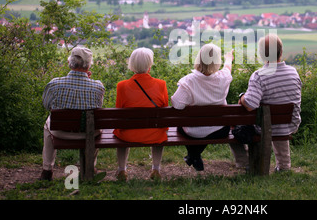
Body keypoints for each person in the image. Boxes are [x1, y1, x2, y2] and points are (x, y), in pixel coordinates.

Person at [237, 33, 302, 172]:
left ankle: (248, 162)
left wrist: (242, 97)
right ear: (281, 51)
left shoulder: (259, 76)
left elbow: (250, 105)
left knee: (244, 124)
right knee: (276, 123)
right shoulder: (293, 72)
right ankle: (284, 166)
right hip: (291, 123)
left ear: (261, 54)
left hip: (267, 127)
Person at [40, 47, 105, 181]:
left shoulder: (54, 84)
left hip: (60, 132)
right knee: (94, 124)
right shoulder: (98, 87)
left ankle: (47, 170)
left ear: (70, 63)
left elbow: (46, 106)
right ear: (88, 66)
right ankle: (90, 167)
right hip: (88, 133)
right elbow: (98, 107)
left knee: (48, 122)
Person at [171, 43, 235, 171]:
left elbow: (177, 105)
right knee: (207, 128)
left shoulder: (188, 81)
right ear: (217, 62)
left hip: (192, 132)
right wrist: (229, 58)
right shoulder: (224, 78)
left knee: (187, 127)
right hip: (220, 130)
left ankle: (193, 155)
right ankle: (194, 156)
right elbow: (228, 68)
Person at [113, 47, 169, 181]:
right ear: (150, 65)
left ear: (132, 65)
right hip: (154, 133)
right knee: (160, 131)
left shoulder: (122, 86)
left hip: (128, 134)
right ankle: (156, 169)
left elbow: (119, 112)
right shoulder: (161, 84)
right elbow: (164, 108)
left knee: (120, 131)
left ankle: (122, 170)